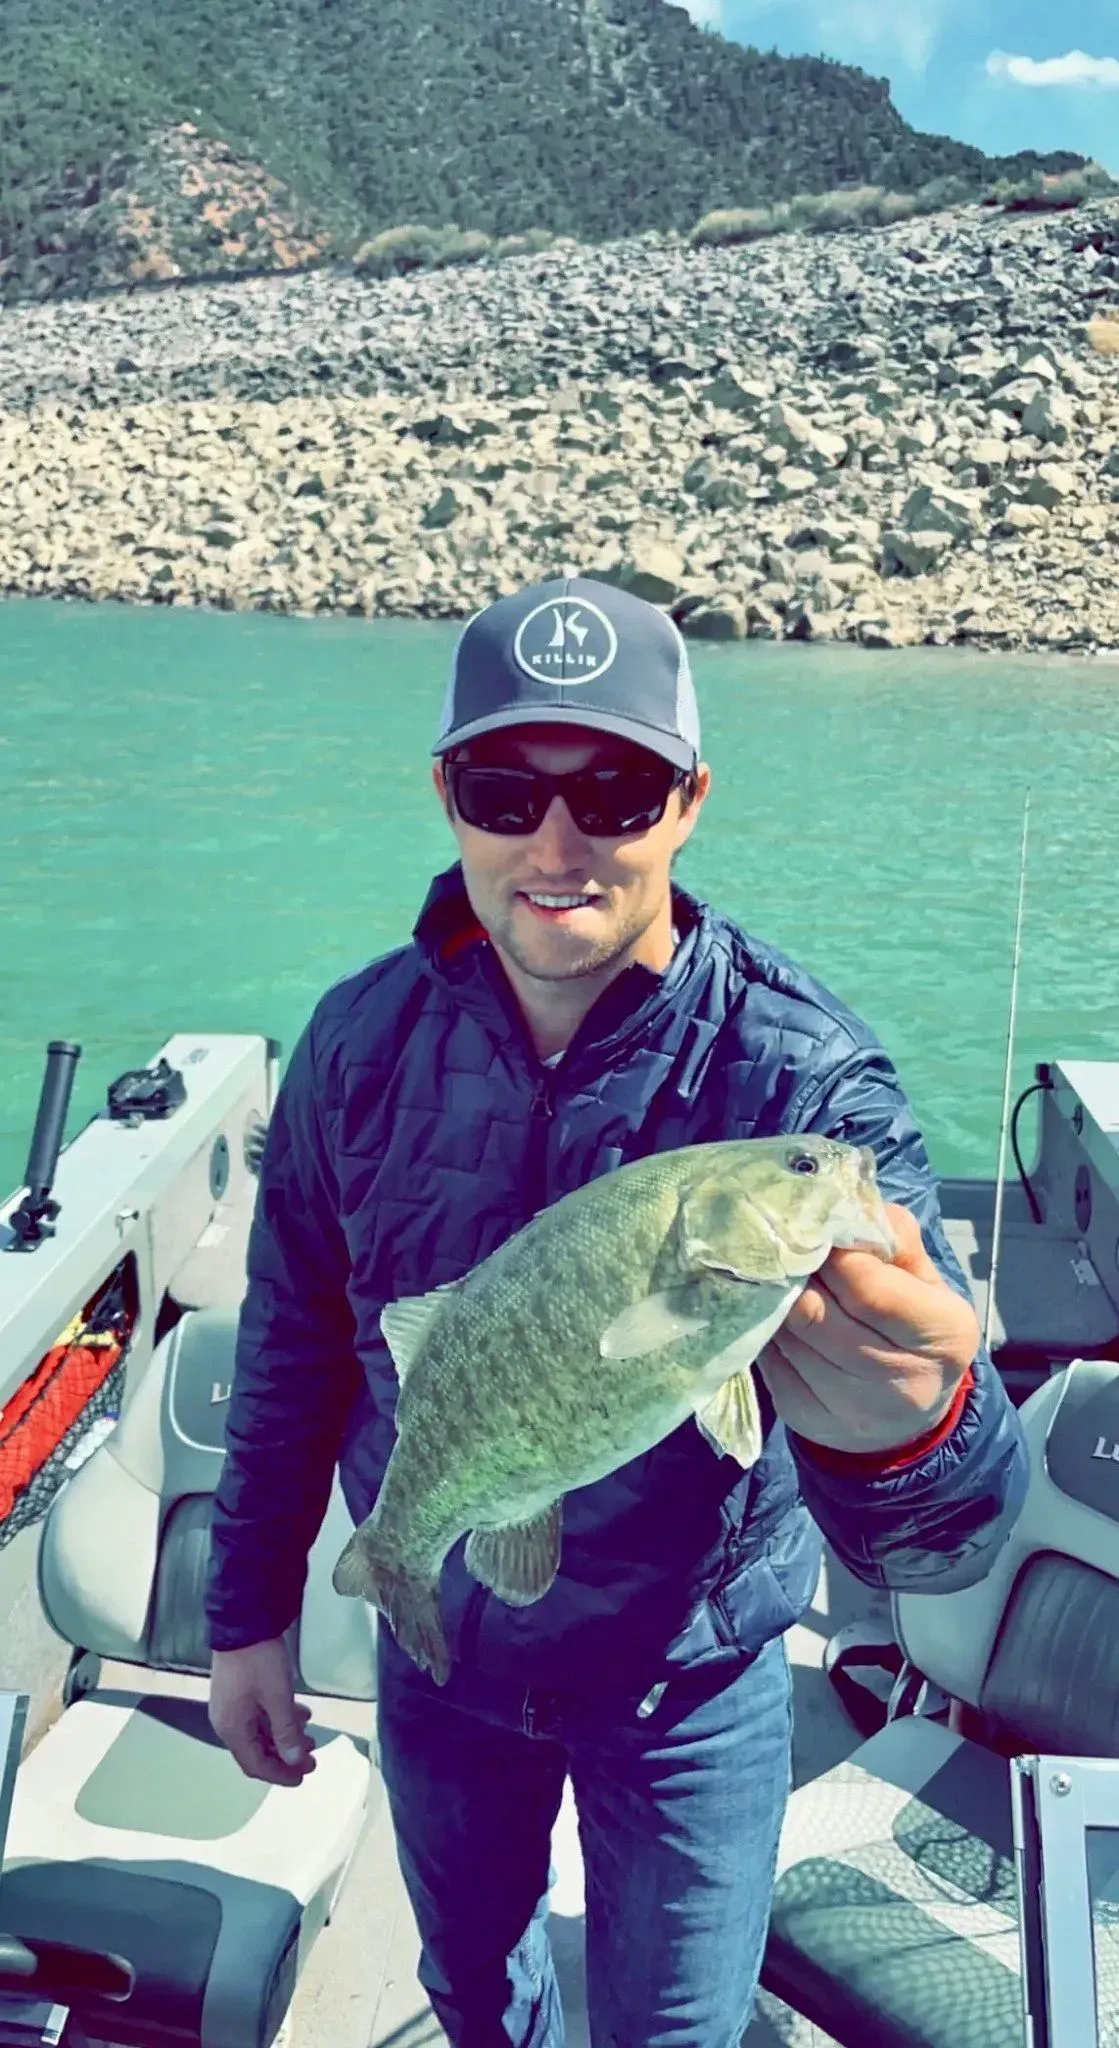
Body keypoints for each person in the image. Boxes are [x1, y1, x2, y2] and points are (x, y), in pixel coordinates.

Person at [206, 573, 1029, 2048]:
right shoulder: (352, 1045)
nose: (557, 842)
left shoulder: (800, 1085)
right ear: (447, 798)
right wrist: (247, 1612)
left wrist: (919, 1431)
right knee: (471, 1992)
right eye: (504, 789)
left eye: (620, 788)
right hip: (444, 1656)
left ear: (690, 802)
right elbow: (294, 1347)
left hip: (689, 1683)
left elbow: (953, 1516)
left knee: (674, 2032)